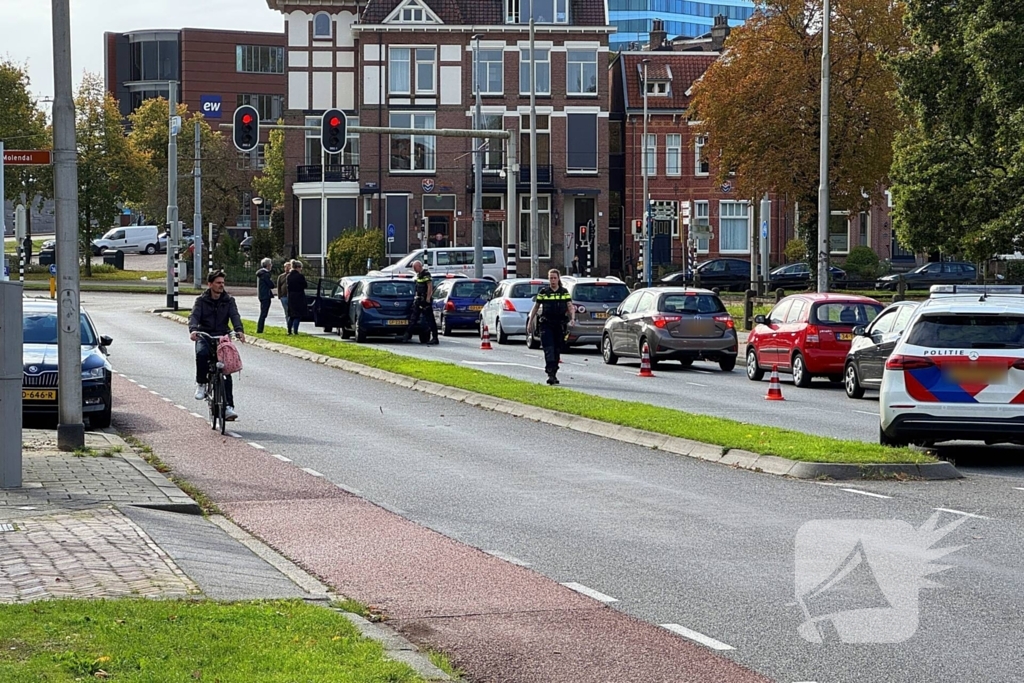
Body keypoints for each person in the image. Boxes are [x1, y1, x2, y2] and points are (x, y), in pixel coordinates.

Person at [188, 270, 245, 420]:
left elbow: (234, 316)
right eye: (218, 283)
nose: (221, 285)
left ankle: (228, 407)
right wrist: (194, 330)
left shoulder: (228, 300)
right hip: (204, 335)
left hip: (222, 336)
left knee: (226, 371)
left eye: (223, 283)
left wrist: (239, 330)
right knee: (201, 354)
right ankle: (201, 383)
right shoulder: (201, 300)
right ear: (210, 284)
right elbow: (194, 316)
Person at [527, 269, 575, 385]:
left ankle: (554, 371)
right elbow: (536, 307)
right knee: (548, 349)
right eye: (550, 278)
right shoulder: (543, 292)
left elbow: (570, 306)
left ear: (558, 279)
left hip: (559, 325)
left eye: (554, 278)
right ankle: (550, 374)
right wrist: (530, 322)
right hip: (546, 324)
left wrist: (572, 318)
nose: (552, 280)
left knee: (557, 349)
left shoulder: (564, 292)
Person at [401, 260, 439, 345]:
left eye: (414, 267)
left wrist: (428, 298)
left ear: (419, 266)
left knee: (430, 320)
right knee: (413, 319)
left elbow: (429, 286)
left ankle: (435, 338)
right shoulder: (417, 275)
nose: (414, 269)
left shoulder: (426, 274)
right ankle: (407, 336)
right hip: (418, 300)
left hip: (425, 300)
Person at [286, 259, 308, 335]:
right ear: (298, 267)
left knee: (291, 315)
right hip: (299, 296)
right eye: (300, 267)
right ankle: (295, 331)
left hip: (291, 296)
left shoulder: (289, 276)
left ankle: (289, 330)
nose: (301, 269)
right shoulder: (300, 276)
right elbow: (305, 285)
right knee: (297, 315)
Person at [255, 257, 275, 334]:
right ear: (268, 265)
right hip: (265, 295)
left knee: (263, 313)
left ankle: (260, 329)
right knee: (263, 313)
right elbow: (271, 285)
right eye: (270, 264)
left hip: (262, 295)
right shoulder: (265, 274)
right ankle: (260, 329)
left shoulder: (261, 274)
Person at [277, 261, 292, 330]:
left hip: (291, 297)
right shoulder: (281, 276)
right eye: (286, 267)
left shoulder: (292, 276)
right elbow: (279, 286)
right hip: (284, 297)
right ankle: (288, 325)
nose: (287, 268)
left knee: (291, 312)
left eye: (288, 267)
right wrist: (279, 296)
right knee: (286, 312)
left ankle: (291, 326)